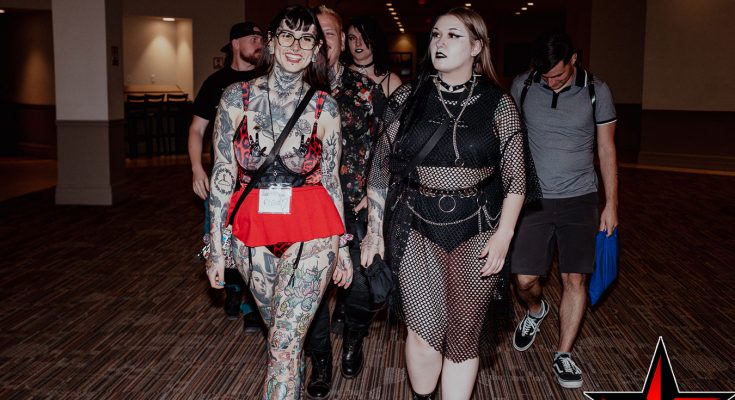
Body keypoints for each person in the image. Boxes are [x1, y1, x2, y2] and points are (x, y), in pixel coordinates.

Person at [361, 7, 539, 400]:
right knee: (423, 334)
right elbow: (381, 165)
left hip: (478, 226)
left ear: (476, 47)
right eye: (436, 35)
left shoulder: (499, 103)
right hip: (415, 222)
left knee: (463, 336)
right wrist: (374, 230)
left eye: (453, 35)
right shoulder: (408, 97)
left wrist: (505, 235)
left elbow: (516, 178)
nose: (440, 42)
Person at [205, 5, 353, 399]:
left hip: (313, 230)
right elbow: (223, 174)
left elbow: (331, 179)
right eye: (287, 35)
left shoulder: (325, 106)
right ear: (271, 41)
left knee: (284, 343)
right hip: (252, 228)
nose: (296, 46)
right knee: (280, 335)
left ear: (316, 49)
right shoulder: (235, 98)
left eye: (306, 39)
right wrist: (215, 247)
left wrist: (343, 247)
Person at [509, 31, 618, 390]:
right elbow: (510, 141)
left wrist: (611, 204)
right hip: (534, 198)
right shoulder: (524, 86)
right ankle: (536, 310)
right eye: (545, 76)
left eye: (557, 75)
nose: (551, 82)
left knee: (575, 279)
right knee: (524, 279)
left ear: (573, 60)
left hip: (580, 197)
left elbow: (606, 149)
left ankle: (563, 353)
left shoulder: (596, 90)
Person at [302, 6, 378, 399]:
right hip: (305, 207)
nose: (322, 40)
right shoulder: (293, 89)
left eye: (330, 33)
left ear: (341, 41)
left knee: (360, 285)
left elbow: (387, 147)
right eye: (315, 32)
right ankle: (320, 360)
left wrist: (374, 192)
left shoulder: (364, 90)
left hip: (353, 203)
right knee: (310, 289)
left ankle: (353, 339)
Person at [187, 21, 265, 329]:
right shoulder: (216, 83)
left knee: (256, 241)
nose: (259, 42)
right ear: (235, 43)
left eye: (261, 38)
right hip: (225, 179)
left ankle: (253, 305)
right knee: (220, 237)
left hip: (259, 180)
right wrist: (196, 168)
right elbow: (197, 129)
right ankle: (233, 288)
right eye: (252, 38)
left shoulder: (267, 80)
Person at [345, 16, 402, 115]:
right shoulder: (338, 75)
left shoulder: (391, 81)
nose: (358, 43)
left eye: (364, 37)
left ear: (374, 40)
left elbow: (398, 121)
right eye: (352, 38)